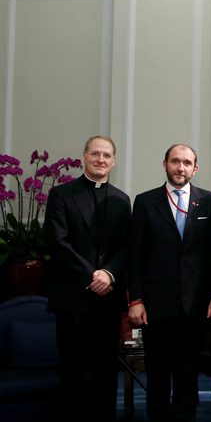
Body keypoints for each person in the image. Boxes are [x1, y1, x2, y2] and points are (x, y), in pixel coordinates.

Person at [127, 143, 211, 421]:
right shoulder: (145, 201)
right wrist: (135, 299)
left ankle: (185, 415)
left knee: (188, 369)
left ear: (195, 168)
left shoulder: (208, 201)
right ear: (165, 164)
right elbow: (136, 256)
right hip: (155, 303)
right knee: (157, 370)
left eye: (186, 163)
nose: (180, 168)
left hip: (195, 303)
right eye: (175, 161)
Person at [43, 135, 131, 420]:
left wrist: (108, 274)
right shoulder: (61, 194)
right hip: (73, 298)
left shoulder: (121, 199)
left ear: (114, 161)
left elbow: (126, 246)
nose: (100, 160)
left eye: (106, 156)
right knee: (73, 369)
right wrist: (91, 275)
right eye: (95, 154)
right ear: (84, 156)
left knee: (106, 369)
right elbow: (57, 242)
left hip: (108, 299)